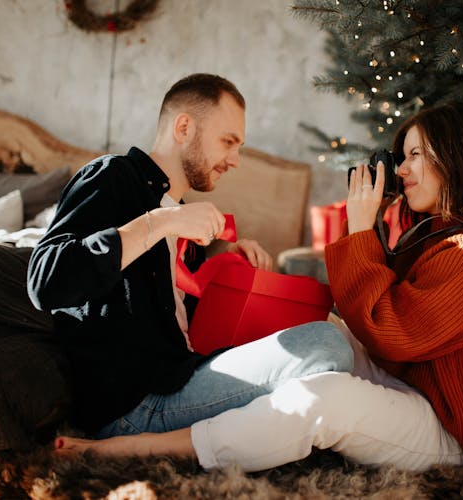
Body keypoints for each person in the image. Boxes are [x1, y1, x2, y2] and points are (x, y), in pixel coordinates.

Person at [54, 101, 463, 473]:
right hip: (415, 382)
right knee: (319, 328)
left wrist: (362, 228)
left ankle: (143, 447)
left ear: (456, 159)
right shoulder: (440, 230)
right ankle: (262, 427)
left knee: (324, 400)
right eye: (401, 156)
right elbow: (374, 311)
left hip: (455, 427)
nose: (403, 168)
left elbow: (390, 331)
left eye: (414, 156)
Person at [27, 73, 354, 440]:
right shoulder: (111, 178)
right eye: (228, 142)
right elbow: (45, 281)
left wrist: (229, 270)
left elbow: (181, 322)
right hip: (136, 404)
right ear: (184, 127)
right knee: (328, 346)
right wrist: (161, 222)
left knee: (337, 334)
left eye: (239, 146)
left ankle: (235, 439)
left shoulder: (182, 216)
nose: (235, 160)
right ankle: (169, 446)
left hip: (183, 375)